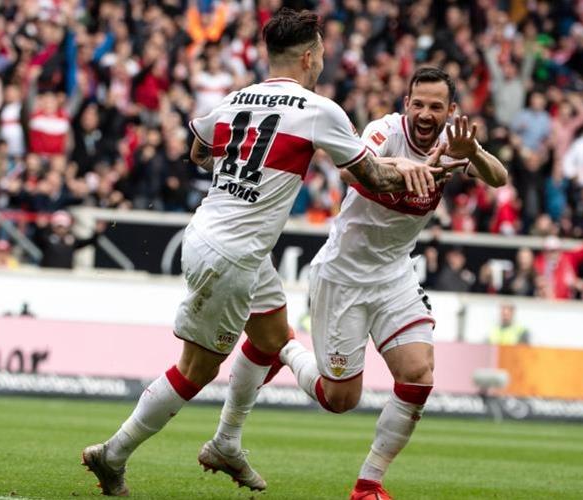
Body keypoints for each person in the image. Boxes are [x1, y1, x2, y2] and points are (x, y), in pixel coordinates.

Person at [81, 9, 446, 497]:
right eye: (321, 52)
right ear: (310, 55)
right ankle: (113, 454)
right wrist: (419, 169)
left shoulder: (237, 98)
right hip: (232, 254)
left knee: (274, 337)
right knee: (197, 369)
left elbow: (198, 149)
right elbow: (373, 177)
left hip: (225, 239)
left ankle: (227, 442)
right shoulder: (319, 109)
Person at [262, 67, 507, 499]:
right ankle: (284, 346)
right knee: (339, 399)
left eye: (436, 106)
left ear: (450, 110)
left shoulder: (456, 141)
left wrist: (477, 154)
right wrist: (403, 168)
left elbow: (498, 177)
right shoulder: (384, 131)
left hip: (395, 274)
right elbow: (351, 172)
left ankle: (368, 484)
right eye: (418, 104)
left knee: (419, 376)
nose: (425, 114)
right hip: (344, 276)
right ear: (406, 104)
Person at [34, 211, 105, 269]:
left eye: (64, 226)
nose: (61, 229)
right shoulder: (47, 239)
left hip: (66, 276)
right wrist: (40, 228)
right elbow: (37, 239)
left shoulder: (72, 240)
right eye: (59, 226)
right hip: (48, 275)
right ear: (53, 227)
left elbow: (89, 242)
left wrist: (97, 233)